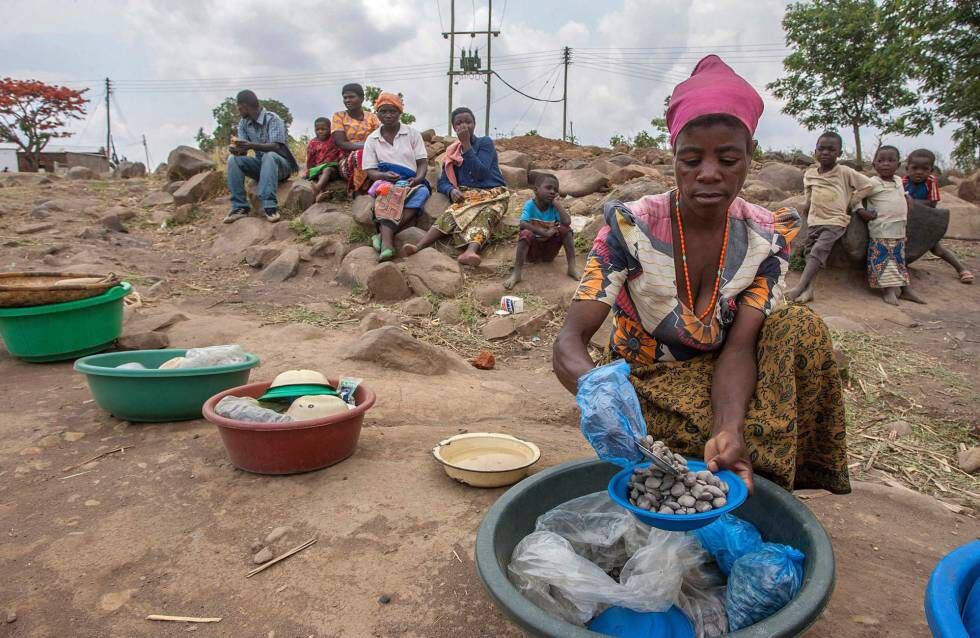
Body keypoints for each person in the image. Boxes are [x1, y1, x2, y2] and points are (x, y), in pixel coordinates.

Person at [553, 55, 850, 496]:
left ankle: (750, 483)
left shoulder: (767, 238)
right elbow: (569, 341)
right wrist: (598, 393)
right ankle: (701, 476)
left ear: (750, 155)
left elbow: (740, 348)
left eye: (727, 159)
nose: (708, 174)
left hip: (728, 378)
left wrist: (727, 424)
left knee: (800, 329)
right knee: (661, 429)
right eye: (691, 159)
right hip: (646, 389)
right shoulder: (631, 228)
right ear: (674, 155)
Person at [404, 107, 508, 266]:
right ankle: (419, 246)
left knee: (486, 214)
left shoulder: (485, 143)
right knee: (451, 213)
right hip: (468, 195)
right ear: (454, 128)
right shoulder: (452, 151)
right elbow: (442, 182)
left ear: (474, 124)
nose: (464, 126)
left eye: (468, 121)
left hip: (494, 194)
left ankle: (470, 251)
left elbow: (481, 173)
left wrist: (466, 144)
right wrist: (451, 190)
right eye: (459, 123)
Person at [785, 131, 875, 303]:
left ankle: (798, 287)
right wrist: (808, 203)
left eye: (831, 149)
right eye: (821, 149)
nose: (825, 152)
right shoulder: (810, 174)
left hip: (835, 221)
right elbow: (809, 193)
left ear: (839, 153)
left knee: (819, 251)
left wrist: (853, 201)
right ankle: (809, 291)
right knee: (811, 253)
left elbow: (868, 185)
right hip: (814, 220)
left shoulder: (845, 172)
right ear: (815, 151)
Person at [361, 92, 430, 262]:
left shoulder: (412, 134)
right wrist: (384, 175)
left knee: (421, 193)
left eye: (392, 111)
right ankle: (388, 246)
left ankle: (383, 237)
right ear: (378, 113)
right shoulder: (372, 139)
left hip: (411, 180)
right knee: (388, 193)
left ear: (400, 113)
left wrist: (419, 178)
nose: (388, 115)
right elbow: (370, 170)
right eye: (383, 111)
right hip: (386, 179)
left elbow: (422, 162)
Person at [225, 90, 299, 224]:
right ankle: (240, 207)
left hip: (281, 165)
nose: (239, 112)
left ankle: (270, 206)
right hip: (262, 166)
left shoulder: (273, 119)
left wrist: (251, 145)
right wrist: (236, 149)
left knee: (269, 156)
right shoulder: (244, 123)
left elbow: (276, 146)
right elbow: (244, 151)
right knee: (232, 160)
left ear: (245, 106)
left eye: (239, 108)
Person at [864, 146, 925, 305]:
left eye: (890, 161)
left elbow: (901, 193)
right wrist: (861, 212)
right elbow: (856, 198)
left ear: (898, 165)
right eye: (881, 160)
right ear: (874, 164)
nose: (885, 164)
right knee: (882, 259)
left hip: (899, 229)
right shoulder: (872, 183)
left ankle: (905, 289)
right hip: (881, 229)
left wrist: (907, 197)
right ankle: (888, 290)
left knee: (899, 260)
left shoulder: (898, 180)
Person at [903, 148, 974, 284]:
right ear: (907, 168)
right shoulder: (903, 181)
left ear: (931, 170)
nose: (919, 172)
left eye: (924, 169)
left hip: (925, 220)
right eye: (915, 168)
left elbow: (932, 202)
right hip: (907, 221)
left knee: (937, 249)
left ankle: (961, 269)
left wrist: (910, 201)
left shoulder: (931, 181)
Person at [504, 173, 579, 289]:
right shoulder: (530, 205)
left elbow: (567, 222)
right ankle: (516, 273)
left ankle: (572, 267)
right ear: (536, 190)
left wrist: (556, 204)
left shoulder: (554, 208)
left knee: (566, 230)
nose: (552, 192)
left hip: (548, 253)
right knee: (525, 233)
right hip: (532, 253)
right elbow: (523, 223)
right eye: (548, 188)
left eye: (555, 190)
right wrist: (545, 233)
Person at [331, 83, 381, 195]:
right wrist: (368, 146)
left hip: (372, 156)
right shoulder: (338, 116)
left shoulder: (372, 117)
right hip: (347, 161)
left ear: (362, 98)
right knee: (360, 155)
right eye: (345, 97)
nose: (347, 100)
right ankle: (358, 190)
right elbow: (341, 143)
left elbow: (380, 138)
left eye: (351, 97)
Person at [305, 117, 343, 202]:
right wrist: (309, 171)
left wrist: (340, 161)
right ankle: (320, 195)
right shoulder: (313, 143)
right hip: (318, 169)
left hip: (333, 168)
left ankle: (317, 188)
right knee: (320, 174)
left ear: (330, 129)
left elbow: (340, 152)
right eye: (317, 129)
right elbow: (310, 158)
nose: (320, 131)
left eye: (323, 129)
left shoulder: (334, 139)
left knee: (327, 170)